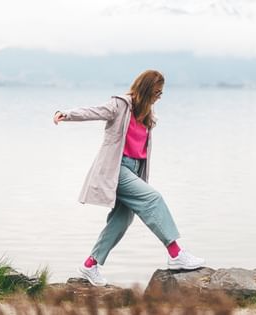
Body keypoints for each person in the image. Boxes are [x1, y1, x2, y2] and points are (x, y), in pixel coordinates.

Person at [53, 70, 205, 286]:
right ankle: (175, 252)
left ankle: (90, 265)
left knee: (122, 220)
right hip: (117, 169)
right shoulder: (121, 105)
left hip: (133, 171)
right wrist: (66, 114)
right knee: (153, 198)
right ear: (146, 90)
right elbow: (94, 111)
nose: (159, 96)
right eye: (157, 92)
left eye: (161, 93)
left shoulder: (148, 115)